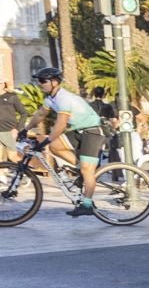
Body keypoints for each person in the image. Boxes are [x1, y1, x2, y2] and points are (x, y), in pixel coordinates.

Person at [34, 67, 103, 216]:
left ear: (54, 82)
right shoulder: (50, 99)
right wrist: (24, 129)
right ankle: (81, 169)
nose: (39, 84)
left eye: (42, 81)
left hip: (92, 131)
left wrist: (46, 140)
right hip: (78, 131)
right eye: (38, 81)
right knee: (54, 146)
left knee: (87, 170)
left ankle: (87, 205)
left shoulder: (63, 98)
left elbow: (61, 124)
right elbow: (40, 114)